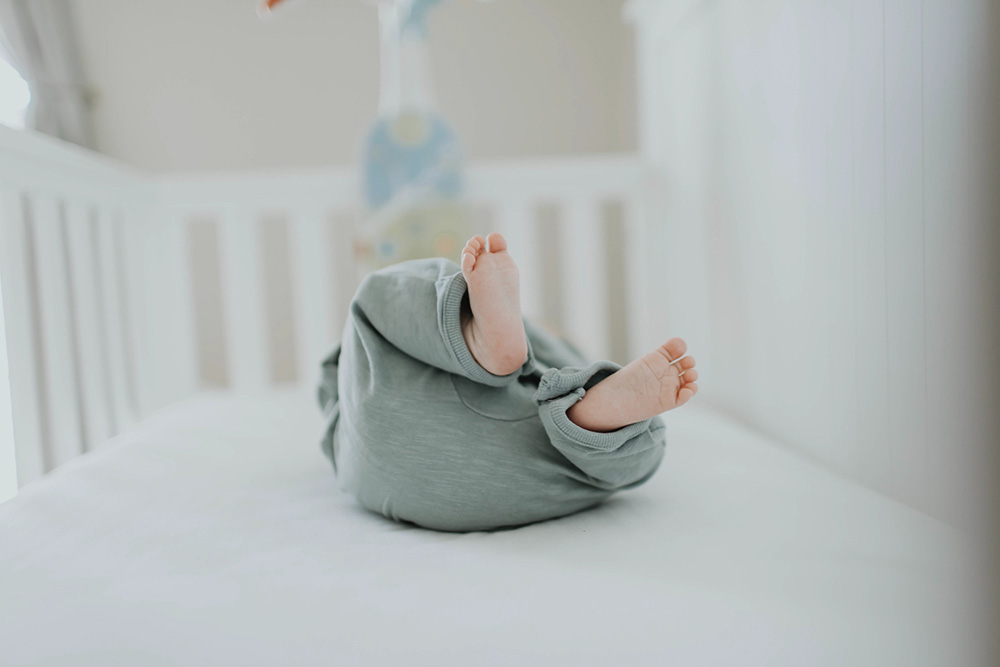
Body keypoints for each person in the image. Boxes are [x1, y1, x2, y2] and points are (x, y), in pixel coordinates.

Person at [317, 232, 699, 532]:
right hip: (517, 469)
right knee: (642, 445)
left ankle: (466, 332)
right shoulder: (567, 364)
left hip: (388, 468)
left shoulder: (351, 408)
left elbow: (331, 379)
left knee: (377, 299)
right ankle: (589, 425)